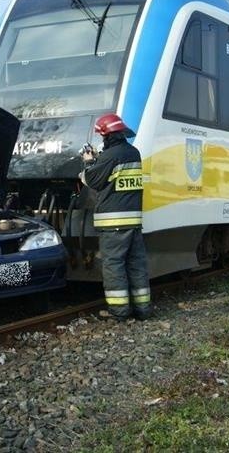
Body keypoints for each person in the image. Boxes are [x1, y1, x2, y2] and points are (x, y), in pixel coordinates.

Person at [80, 114, 151, 321]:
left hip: (113, 223)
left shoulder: (110, 156)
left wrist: (89, 162)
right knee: (136, 264)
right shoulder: (133, 153)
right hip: (134, 221)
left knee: (114, 265)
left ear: (106, 135)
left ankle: (119, 312)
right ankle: (143, 310)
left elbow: (91, 180)